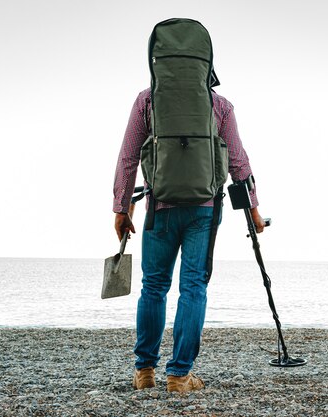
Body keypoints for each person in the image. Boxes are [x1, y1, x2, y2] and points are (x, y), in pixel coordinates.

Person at [112, 86, 265, 393]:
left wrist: (122, 207)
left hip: (159, 206)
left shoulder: (147, 99)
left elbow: (128, 157)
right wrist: (254, 210)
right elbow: (238, 162)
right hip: (203, 210)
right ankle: (179, 376)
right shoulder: (219, 105)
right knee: (193, 286)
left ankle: (144, 372)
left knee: (153, 286)